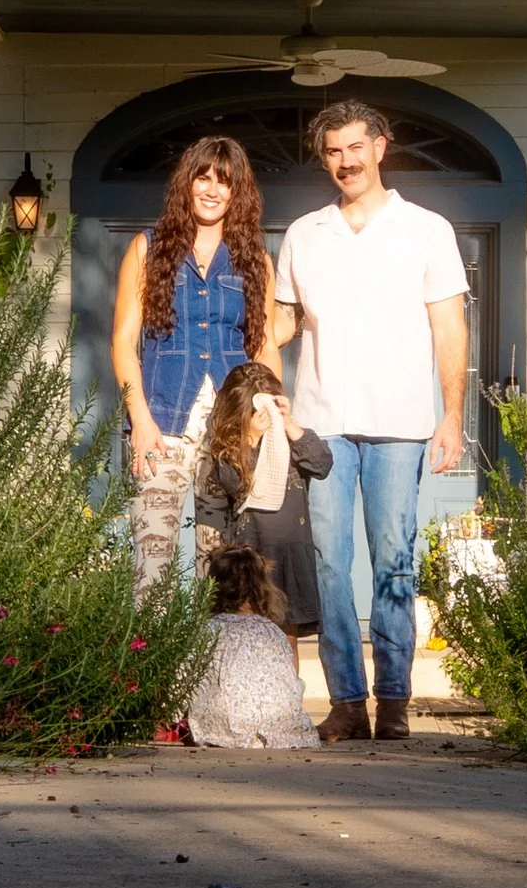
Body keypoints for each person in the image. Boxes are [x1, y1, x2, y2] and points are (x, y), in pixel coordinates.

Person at [272, 99, 470, 742]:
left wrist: (452, 417)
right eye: (333, 151)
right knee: (329, 563)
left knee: (394, 561)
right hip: (321, 422)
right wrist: (251, 365)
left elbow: (449, 326)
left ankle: (393, 702)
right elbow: (282, 321)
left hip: (402, 422)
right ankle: (347, 705)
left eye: (356, 147)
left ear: (382, 147)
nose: (345, 161)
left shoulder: (427, 229)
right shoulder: (305, 233)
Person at [111, 135, 280, 602]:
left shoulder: (254, 261)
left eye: (223, 181)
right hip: (162, 425)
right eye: (202, 177)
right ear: (187, 183)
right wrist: (140, 421)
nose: (211, 189)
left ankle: (218, 671)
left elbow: (263, 345)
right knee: (151, 563)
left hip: (231, 427)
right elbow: (124, 342)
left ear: (237, 191)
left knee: (224, 564)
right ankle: (151, 672)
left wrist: (273, 418)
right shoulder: (149, 250)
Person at [193, 360, 333, 635]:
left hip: (291, 554)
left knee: (287, 634)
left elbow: (322, 464)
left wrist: (289, 424)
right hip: (252, 554)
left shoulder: (290, 441)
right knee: (250, 629)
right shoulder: (229, 451)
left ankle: (288, 680)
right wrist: (251, 439)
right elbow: (237, 486)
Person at [184, 545, 319, 749]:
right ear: (263, 589)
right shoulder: (273, 632)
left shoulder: (208, 630)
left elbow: (187, 677)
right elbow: (290, 680)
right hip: (280, 726)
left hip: (227, 726)